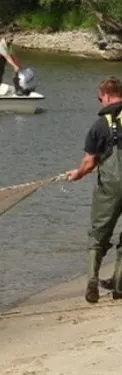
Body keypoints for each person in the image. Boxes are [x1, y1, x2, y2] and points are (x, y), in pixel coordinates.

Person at [66, 76, 122, 303]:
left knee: (98, 235)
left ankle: (92, 279)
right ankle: (119, 285)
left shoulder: (99, 125)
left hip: (109, 188)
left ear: (106, 96)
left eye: (100, 99)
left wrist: (77, 174)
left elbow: (89, 162)